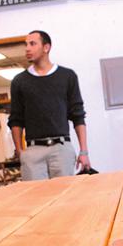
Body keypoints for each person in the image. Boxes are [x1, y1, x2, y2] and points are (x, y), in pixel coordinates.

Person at [8, 30, 91, 181]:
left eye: (32, 44)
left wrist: (84, 152)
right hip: (32, 152)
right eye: (26, 44)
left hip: (61, 149)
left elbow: (78, 115)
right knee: (37, 200)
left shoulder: (67, 76)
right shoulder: (19, 81)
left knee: (65, 198)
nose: (27, 48)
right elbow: (16, 119)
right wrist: (20, 151)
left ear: (46, 48)